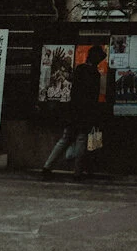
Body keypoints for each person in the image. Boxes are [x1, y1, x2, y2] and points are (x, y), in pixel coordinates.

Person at [41, 44, 105, 180]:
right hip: (86, 112)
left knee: (64, 139)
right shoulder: (95, 74)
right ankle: (77, 172)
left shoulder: (80, 69)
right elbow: (93, 97)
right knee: (81, 140)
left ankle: (47, 166)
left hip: (73, 110)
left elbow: (73, 88)